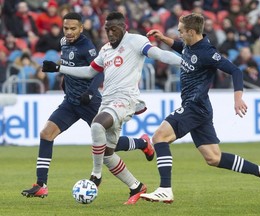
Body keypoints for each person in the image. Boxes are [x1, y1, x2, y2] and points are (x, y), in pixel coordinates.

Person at [41, 11, 181, 204]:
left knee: (97, 125)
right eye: (107, 29)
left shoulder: (135, 41)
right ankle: (137, 187)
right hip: (108, 101)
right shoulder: (106, 49)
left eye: (114, 29)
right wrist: (59, 68)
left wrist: (186, 62)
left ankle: (96, 175)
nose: (110, 33)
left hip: (125, 100)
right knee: (107, 153)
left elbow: (158, 54)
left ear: (124, 28)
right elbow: (90, 71)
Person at [139, 13, 260, 204]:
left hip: (195, 106)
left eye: (181, 31)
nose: (179, 34)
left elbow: (235, 70)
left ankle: (165, 189)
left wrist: (237, 98)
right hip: (201, 109)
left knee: (159, 137)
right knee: (214, 158)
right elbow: (182, 48)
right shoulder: (190, 46)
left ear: (191, 31)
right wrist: (165, 39)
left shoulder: (207, 52)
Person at [21, 12, 155, 200]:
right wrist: (65, 82)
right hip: (70, 102)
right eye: (66, 28)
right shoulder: (63, 43)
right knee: (46, 134)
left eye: (73, 28)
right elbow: (71, 67)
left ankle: (142, 143)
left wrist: (91, 91)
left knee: (108, 147)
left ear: (81, 28)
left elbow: (99, 72)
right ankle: (41, 185)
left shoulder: (88, 47)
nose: (68, 32)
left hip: (89, 102)